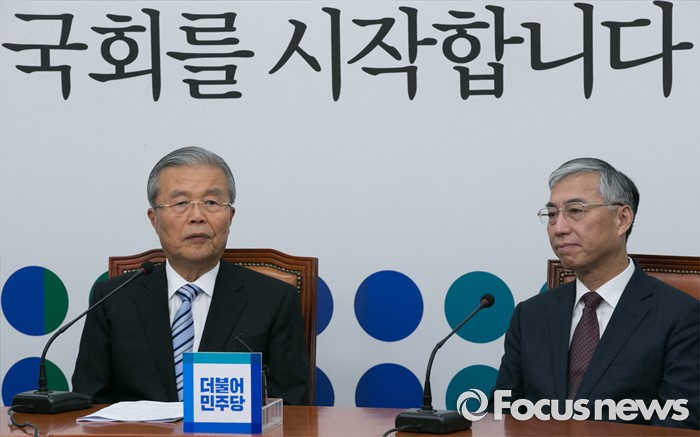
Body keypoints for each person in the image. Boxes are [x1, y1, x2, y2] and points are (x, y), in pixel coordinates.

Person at [72, 146, 309, 405]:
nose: (197, 217)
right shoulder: (113, 300)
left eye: (211, 202)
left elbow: (291, 407)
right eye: (181, 203)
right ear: (154, 219)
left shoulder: (274, 300)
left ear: (230, 216)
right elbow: (90, 404)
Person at [492, 157, 699, 429]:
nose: (559, 228)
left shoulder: (681, 317)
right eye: (552, 214)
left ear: (622, 219)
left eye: (575, 211)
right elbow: (501, 415)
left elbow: (678, 426)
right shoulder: (529, 315)